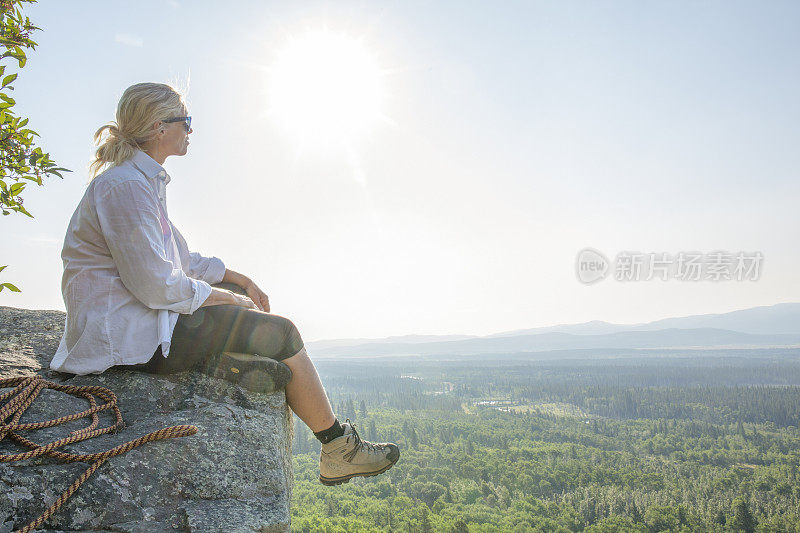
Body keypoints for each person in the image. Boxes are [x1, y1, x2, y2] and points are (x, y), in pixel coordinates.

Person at [50, 82, 399, 486]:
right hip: (130, 336)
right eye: (187, 122)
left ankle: (230, 365)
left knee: (238, 318)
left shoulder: (138, 183)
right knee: (280, 331)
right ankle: (340, 450)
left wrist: (237, 278)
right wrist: (225, 298)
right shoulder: (126, 187)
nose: (191, 131)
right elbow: (156, 285)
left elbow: (182, 259)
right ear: (160, 127)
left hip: (139, 321)